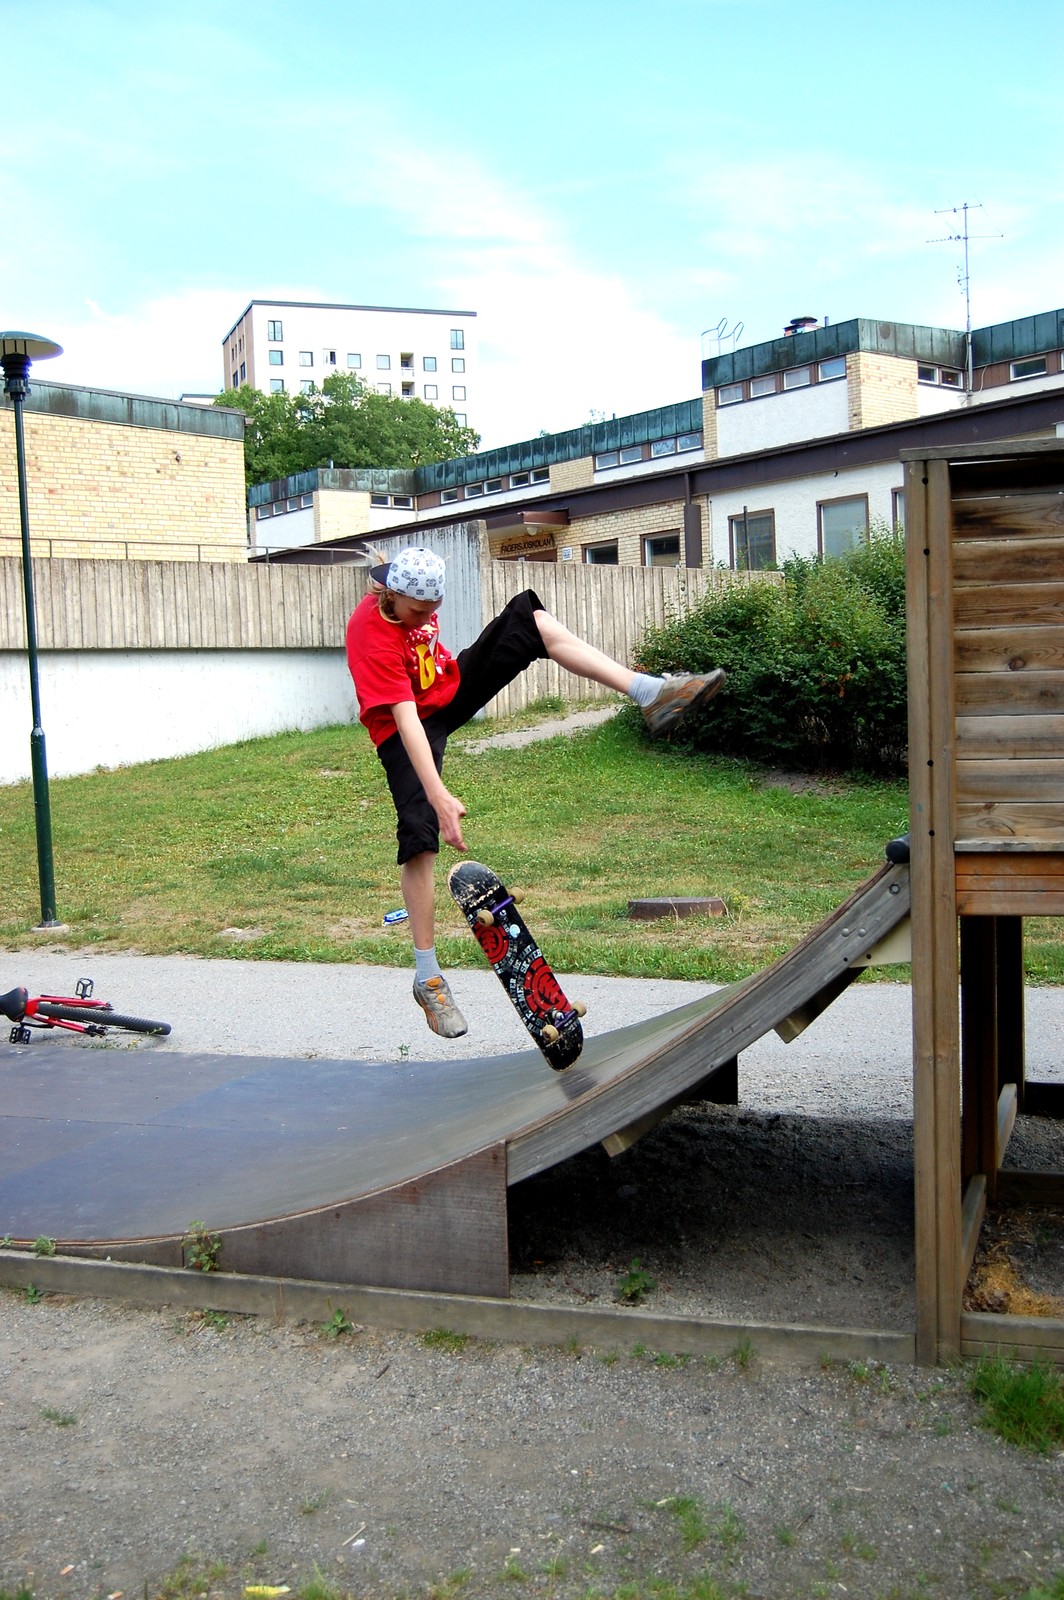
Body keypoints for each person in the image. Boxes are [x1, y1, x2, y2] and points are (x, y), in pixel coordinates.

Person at [345, 546, 725, 1040]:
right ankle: (428, 976)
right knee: (419, 833)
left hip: (445, 690)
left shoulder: (403, 593)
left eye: (433, 609)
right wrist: (437, 794)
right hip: (403, 728)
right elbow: (407, 721)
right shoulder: (372, 636)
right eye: (419, 611)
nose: (427, 618)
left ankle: (649, 692)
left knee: (531, 622)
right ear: (392, 597)